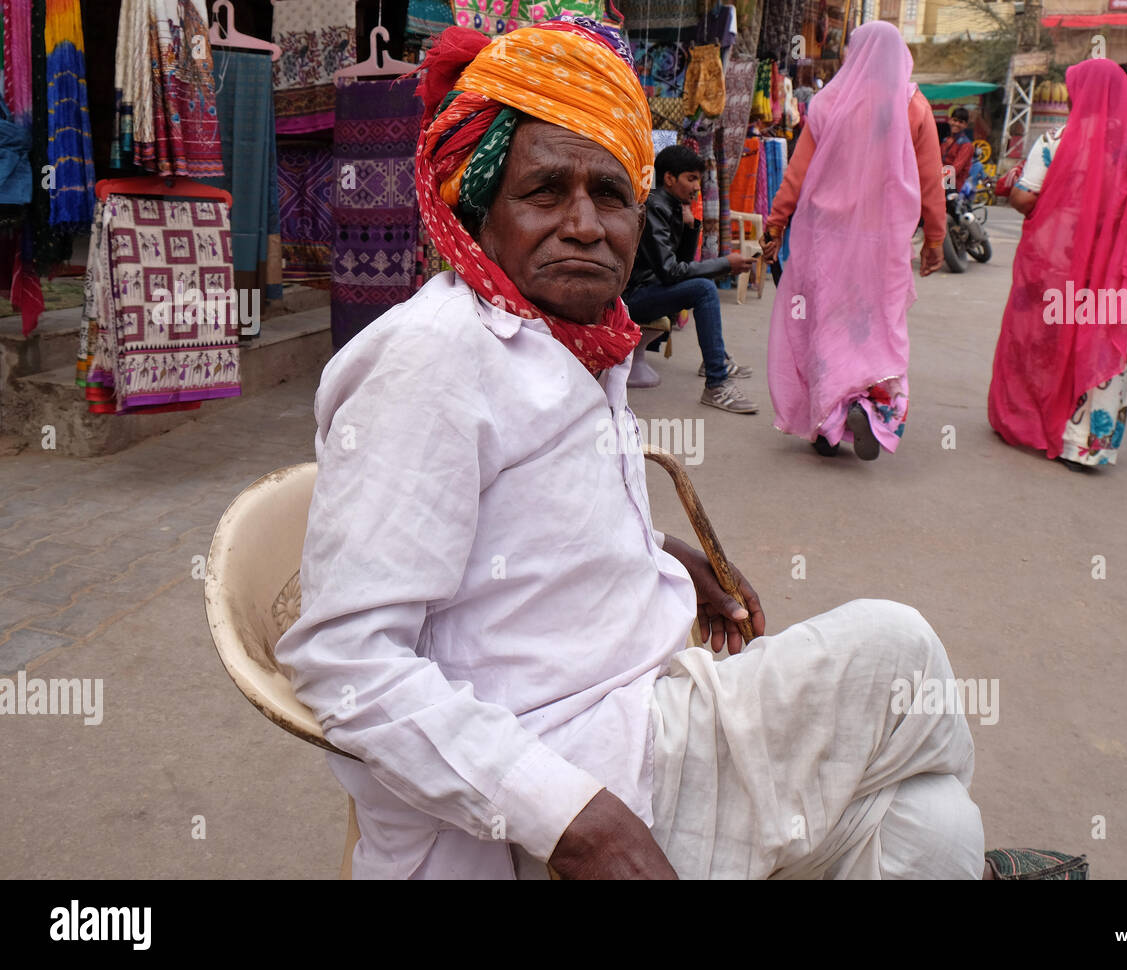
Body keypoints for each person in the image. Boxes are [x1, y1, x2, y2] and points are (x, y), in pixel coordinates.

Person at [276, 18, 988, 880]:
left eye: (610, 195)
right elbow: (343, 662)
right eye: (544, 192)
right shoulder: (432, 360)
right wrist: (570, 819)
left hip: (641, 717)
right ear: (480, 209)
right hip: (571, 782)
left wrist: (658, 555)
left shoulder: (577, 335)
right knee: (898, 649)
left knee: (933, 823)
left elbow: (523, 542)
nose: (584, 224)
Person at [760, 21, 946, 460]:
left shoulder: (828, 103)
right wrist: (934, 239)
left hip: (825, 239)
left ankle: (828, 422)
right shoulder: (913, 105)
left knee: (827, 325)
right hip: (884, 245)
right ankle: (872, 406)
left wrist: (776, 222)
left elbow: (797, 172)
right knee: (879, 328)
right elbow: (931, 179)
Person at [989, 58, 1127, 468]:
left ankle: (1032, 423)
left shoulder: (1057, 139)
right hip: (1114, 272)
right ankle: (1087, 444)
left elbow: (1022, 197)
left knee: (1046, 341)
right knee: (1102, 337)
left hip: (1058, 267)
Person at [623, 145, 758, 413]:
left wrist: (689, 226)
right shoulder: (654, 207)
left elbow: (679, 263)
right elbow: (671, 272)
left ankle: (716, 361)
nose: (696, 186)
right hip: (633, 296)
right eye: (691, 178)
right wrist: (724, 265)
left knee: (701, 288)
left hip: (651, 288)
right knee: (704, 289)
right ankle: (716, 382)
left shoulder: (670, 205)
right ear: (670, 178)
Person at [941, 106, 974, 190]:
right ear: (950, 120)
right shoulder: (945, 140)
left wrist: (936, 180)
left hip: (953, 186)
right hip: (941, 181)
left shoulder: (966, 145)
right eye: (955, 120)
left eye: (961, 122)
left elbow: (955, 169)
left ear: (965, 125)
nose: (956, 124)